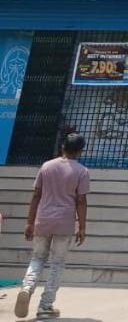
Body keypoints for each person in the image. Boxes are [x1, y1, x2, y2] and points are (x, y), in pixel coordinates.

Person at [18, 133, 90, 319]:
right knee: (57, 263)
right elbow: (81, 201)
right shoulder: (82, 171)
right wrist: (82, 227)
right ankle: (45, 306)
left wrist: (29, 222)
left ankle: (27, 287)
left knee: (37, 258)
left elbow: (36, 195)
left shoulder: (46, 166)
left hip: (43, 220)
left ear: (62, 147)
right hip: (64, 222)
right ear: (80, 151)